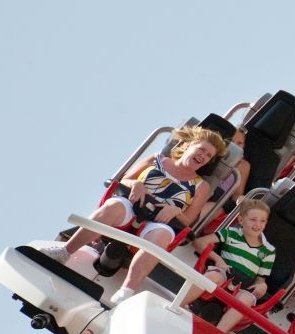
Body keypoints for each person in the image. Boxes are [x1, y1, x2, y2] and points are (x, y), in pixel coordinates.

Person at [42, 126, 226, 306]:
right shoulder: (156, 160)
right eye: (201, 149)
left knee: (161, 236)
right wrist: (136, 185)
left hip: (159, 221)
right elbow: (124, 181)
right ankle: (65, 252)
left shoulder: (201, 186)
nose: (204, 156)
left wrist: (175, 210)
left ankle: (126, 291)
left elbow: (188, 221)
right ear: (187, 146)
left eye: (209, 156)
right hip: (132, 206)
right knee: (114, 205)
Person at [188, 197, 276, 332]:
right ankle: (181, 304)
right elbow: (199, 243)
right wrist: (218, 259)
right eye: (253, 219)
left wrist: (262, 285)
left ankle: (218, 332)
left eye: (262, 221)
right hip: (225, 272)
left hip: (244, 285)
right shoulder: (231, 233)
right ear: (241, 220)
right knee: (214, 277)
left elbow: (261, 278)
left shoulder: (269, 250)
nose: (258, 224)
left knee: (246, 299)